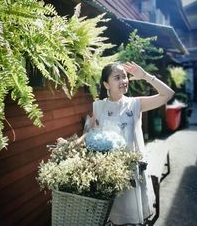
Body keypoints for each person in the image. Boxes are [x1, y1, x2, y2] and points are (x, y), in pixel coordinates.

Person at [58, 61, 174, 226]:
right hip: (108, 173)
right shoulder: (98, 106)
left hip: (130, 172)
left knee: (132, 218)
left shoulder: (135, 104)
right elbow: (91, 134)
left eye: (125, 76)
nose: (124, 80)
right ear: (106, 84)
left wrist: (145, 76)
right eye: (117, 77)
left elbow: (167, 94)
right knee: (111, 216)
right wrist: (72, 144)